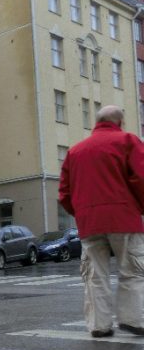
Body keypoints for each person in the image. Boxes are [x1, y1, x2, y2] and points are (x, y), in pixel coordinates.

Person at [59, 105, 144, 338]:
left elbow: (64, 193)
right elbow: (140, 178)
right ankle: (133, 319)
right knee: (132, 270)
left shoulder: (75, 151)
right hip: (124, 218)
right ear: (120, 122)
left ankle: (99, 325)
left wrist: (81, 212)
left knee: (95, 275)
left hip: (90, 222)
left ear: (97, 122)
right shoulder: (128, 141)